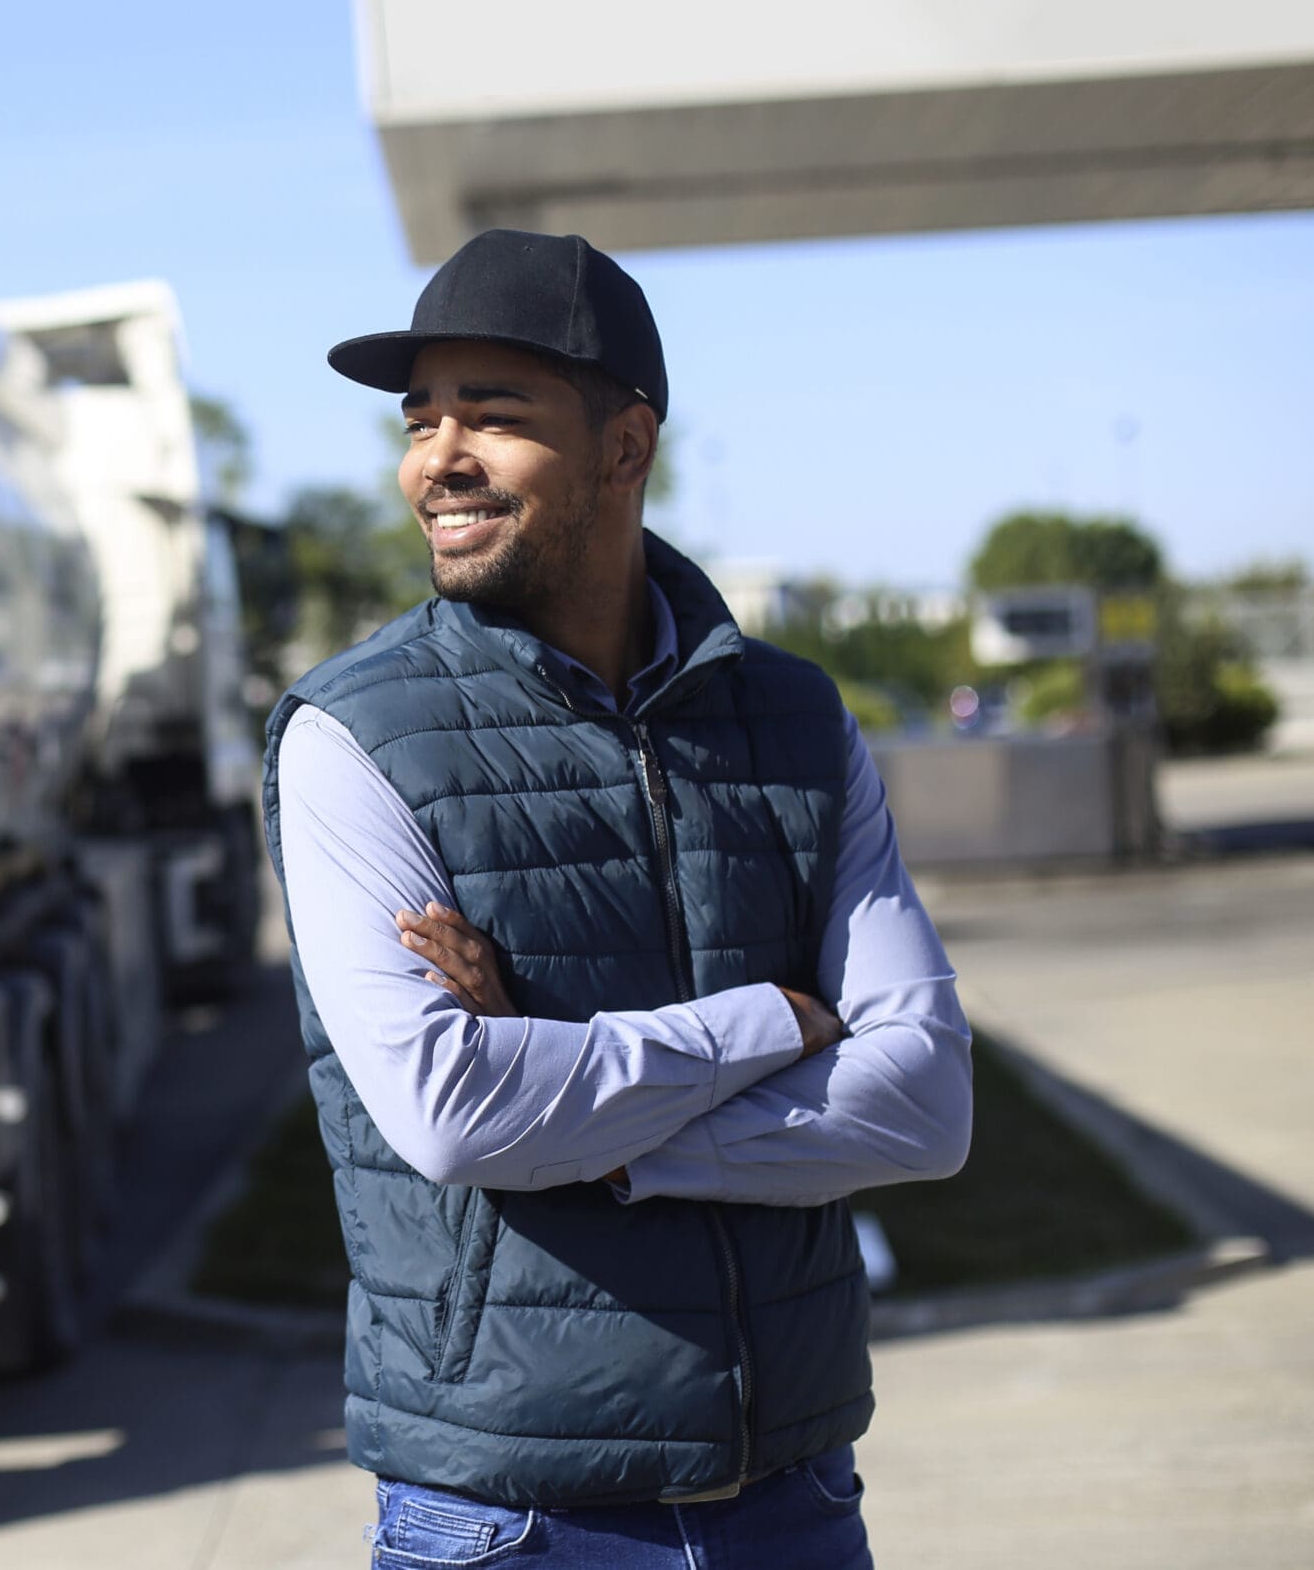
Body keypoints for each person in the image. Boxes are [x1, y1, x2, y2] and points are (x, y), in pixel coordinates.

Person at [263, 229, 974, 1568]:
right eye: (421, 420)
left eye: (494, 414)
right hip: (510, 1520)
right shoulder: (353, 735)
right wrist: (776, 1020)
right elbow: (459, 1112)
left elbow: (927, 1105)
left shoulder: (795, 720)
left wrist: (594, 1129)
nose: (437, 458)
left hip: (796, 1502)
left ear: (625, 445)